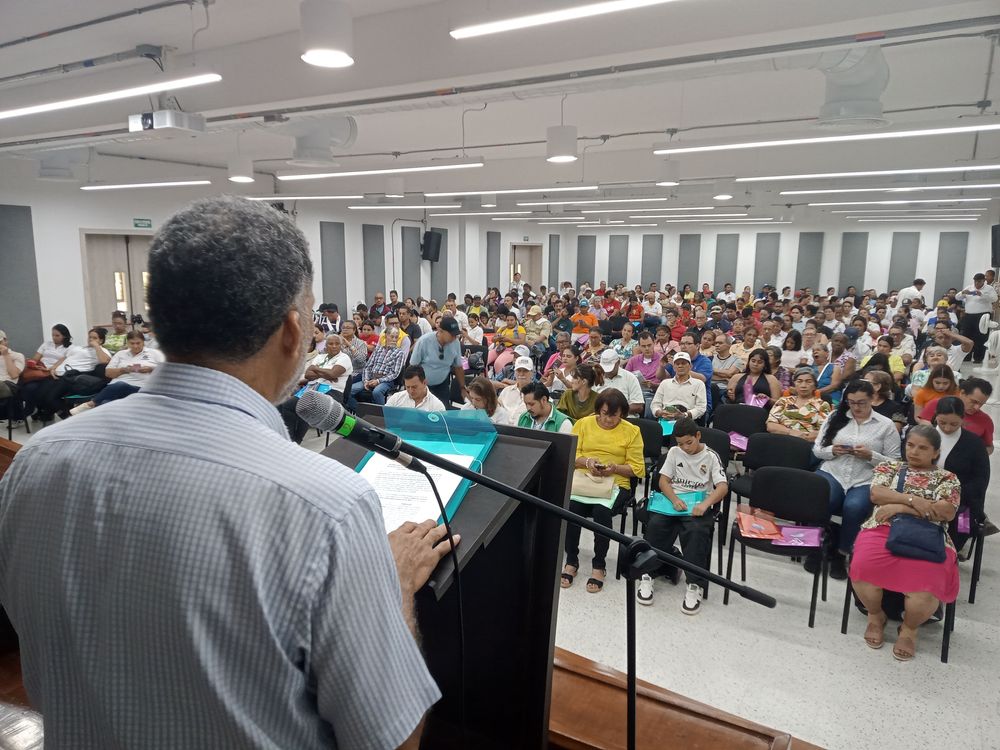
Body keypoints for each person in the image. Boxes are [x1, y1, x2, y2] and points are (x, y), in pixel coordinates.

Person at [0, 197, 447, 749]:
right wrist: (395, 585)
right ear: (292, 331)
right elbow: (393, 740)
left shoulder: (37, 461)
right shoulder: (328, 506)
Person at [848, 425, 960, 661]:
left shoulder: (947, 478)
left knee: (928, 581)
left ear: (936, 453)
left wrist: (900, 506)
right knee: (863, 566)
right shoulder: (890, 467)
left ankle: (909, 629)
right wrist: (914, 500)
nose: (914, 452)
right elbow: (877, 494)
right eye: (910, 445)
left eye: (922, 448)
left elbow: (946, 511)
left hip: (928, 534)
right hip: (882, 528)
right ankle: (875, 615)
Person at [810, 380, 902, 579]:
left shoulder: (885, 425)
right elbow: (817, 450)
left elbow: (895, 463)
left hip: (865, 477)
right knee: (822, 498)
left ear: (872, 400)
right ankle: (816, 544)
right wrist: (831, 450)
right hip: (833, 471)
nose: (856, 407)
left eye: (861, 403)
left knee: (854, 507)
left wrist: (871, 456)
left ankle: (842, 553)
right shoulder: (836, 417)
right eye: (851, 402)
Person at [637, 416, 727, 614]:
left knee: (697, 531)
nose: (685, 447)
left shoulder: (711, 456)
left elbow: (722, 487)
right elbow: (663, 481)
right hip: (673, 501)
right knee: (656, 525)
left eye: (689, 442)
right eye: (680, 443)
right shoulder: (674, 452)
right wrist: (674, 499)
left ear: (698, 435)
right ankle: (647, 576)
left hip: (698, 504)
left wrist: (705, 504)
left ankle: (694, 584)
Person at [562, 389, 644, 594]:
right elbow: (572, 454)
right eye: (604, 413)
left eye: (614, 415)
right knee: (571, 509)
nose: (608, 419)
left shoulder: (631, 431)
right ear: (598, 409)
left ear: (622, 414)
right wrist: (587, 462)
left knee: (601, 511)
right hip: (583, 480)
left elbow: (637, 468)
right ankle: (571, 560)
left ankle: (599, 565)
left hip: (616, 483)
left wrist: (614, 468)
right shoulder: (583, 424)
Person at [929, 397, 992, 549]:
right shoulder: (923, 437)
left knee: (963, 528)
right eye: (942, 422)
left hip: (963, 503)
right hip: (923, 494)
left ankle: (955, 551)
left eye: (954, 424)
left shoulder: (974, 443)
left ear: (962, 420)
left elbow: (980, 480)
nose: (948, 428)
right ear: (936, 416)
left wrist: (952, 495)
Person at [68, 331, 165, 414]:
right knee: (105, 402)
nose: (135, 346)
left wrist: (151, 369)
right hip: (114, 387)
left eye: (138, 343)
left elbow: (166, 369)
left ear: (143, 342)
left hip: (139, 387)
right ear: (127, 343)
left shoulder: (154, 353)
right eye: (132, 343)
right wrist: (123, 370)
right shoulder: (120, 354)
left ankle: (90, 404)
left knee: (121, 385)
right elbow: (108, 373)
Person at [32, 327, 113, 420]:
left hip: (71, 377)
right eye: (89, 337)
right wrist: (53, 368)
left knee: (50, 398)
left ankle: (69, 418)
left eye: (95, 338)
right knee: (40, 394)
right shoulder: (79, 347)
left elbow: (104, 362)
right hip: (57, 374)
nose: (90, 339)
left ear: (101, 340)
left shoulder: (102, 351)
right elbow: (64, 358)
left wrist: (97, 346)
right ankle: (60, 415)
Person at [916, 376, 994, 454]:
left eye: (981, 404)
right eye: (974, 402)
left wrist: (976, 455)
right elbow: (922, 426)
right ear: (962, 393)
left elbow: (989, 447)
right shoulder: (938, 404)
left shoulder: (985, 420)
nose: (977, 407)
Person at [409, 316, 466, 408]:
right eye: (452, 334)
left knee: (442, 412)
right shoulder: (424, 341)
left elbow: (458, 367)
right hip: (423, 385)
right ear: (440, 331)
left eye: (456, 335)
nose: (454, 337)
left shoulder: (455, 343)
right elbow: (413, 366)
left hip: (442, 384)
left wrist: (462, 387)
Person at [766, 367, 831, 442]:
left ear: (815, 385)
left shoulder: (822, 405)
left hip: (806, 443)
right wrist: (791, 432)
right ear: (795, 384)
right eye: (799, 381)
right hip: (781, 439)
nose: (803, 385)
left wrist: (804, 437)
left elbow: (823, 432)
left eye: (808, 382)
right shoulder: (783, 401)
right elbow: (770, 425)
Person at [352, 324, 407, 406]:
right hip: (371, 377)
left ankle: (382, 414)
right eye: (392, 337)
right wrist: (366, 381)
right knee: (351, 390)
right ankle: (358, 411)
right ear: (386, 336)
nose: (394, 340)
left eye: (396, 337)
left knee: (377, 392)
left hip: (386, 380)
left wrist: (378, 381)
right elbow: (368, 367)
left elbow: (395, 373)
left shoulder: (399, 353)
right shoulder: (378, 349)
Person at [957, 272, 998, 363]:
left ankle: (978, 358)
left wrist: (982, 295)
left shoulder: (989, 288)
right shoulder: (969, 287)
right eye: (975, 281)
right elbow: (957, 297)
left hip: (983, 315)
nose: (977, 283)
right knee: (967, 335)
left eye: (979, 281)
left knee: (981, 336)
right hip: (969, 314)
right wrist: (962, 293)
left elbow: (994, 299)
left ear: (984, 281)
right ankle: (966, 356)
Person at [594, 349, 644, 415]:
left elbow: (638, 406)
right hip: (601, 418)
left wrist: (616, 411)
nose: (608, 371)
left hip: (626, 418)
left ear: (618, 363)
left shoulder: (630, 377)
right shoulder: (595, 378)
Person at [495, 356, 534, 425]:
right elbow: (497, 409)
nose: (521, 374)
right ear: (515, 372)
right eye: (519, 370)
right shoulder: (506, 391)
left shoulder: (538, 393)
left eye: (525, 371)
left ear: (532, 373)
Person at [0, 331, 25, 402]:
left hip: (8, 384)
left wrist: (6, 354)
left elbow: (14, 375)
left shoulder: (17, 356)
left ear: (5, 341)